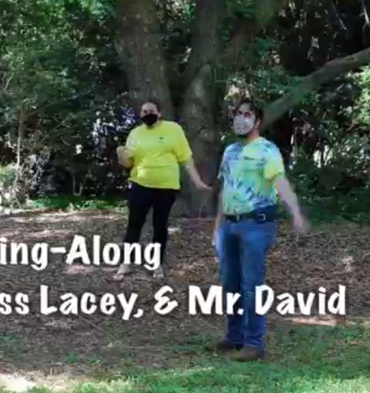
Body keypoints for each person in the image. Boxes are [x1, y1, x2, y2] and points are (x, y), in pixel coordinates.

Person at [206, 99, 308, 361]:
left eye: (247, 114)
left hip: (257, 225)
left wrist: (295, 213)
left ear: (257, 121)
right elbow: (225, 190)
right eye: (238, 114)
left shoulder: (267, 151)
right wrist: (217, 227)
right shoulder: (229, 151)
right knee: (230, 284)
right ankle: (234, 336)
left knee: (252, 284)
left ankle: (254, 343)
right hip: (230, 224)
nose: (241, 118)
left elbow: (280, 183)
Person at [115, 98, 210, 280]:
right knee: (134, 224)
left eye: (151, 111)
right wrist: (120, 154)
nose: (147, 114)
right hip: (140, 185)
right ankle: (126, 262)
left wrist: (197, 182)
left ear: (159, 113)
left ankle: (156, 263)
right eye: (144, 112)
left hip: (166, 187)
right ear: (140, 115)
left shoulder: (173, 129)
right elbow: (127, 163)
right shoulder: (135, 134)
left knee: (160, 225)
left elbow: (186, 158)